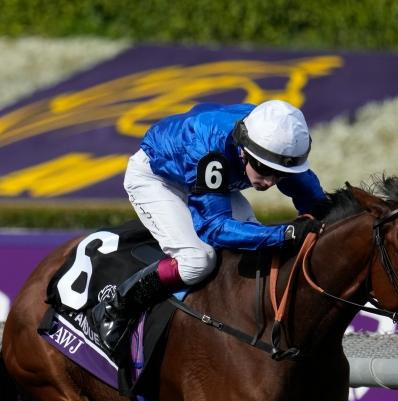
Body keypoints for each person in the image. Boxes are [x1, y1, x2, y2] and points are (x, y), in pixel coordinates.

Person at [94, 99, 331, 352]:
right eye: (263, 168)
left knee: (257, 247)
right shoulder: (211, 149)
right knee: (197, 261)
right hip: (157, 177)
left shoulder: (275, 144)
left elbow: (317, 205)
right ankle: (117, 306)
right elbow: (214, 228)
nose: (270, 181)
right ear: (243, 148)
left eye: (280, 173)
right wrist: (285, 233)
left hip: (205, 175)